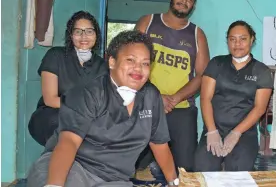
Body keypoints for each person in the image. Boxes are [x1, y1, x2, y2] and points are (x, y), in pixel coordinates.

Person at [26, 31, 180, 187]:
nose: (138, 68)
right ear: (112, 62)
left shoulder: (151, 96)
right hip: (72, 167)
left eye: (145, 63)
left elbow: (160, 145)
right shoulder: (89, 93)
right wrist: (54, 185)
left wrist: (175, 183)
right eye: (130, 60)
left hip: (113, 179)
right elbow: (69, 142)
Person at [134, 0, 209, 174]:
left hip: (182, 109)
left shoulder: (197, 34)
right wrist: (156, 96)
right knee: (132, 163)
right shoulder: (147, 22)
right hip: (147, 105)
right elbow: (132, 63)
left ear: (193, 6)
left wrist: (175, 98)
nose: (184, 1)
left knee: (186, 169)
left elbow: (202, 75)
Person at [193, 21, 273, 171]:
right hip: (214, 129)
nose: (237, 44)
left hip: (244, 133)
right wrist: (211, 130)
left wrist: (236, 133)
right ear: (227, 41)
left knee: (238, 174)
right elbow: (205, 98)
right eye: (232, 39)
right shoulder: (216, 63)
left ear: (252, 39)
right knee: (203, 170)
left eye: (243, 39)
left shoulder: (262, 71)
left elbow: (260, 108)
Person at [28, 11, 107, 146]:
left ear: (96, 35)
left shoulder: (102, 66)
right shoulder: (56, 56)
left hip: (87, 118)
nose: (84, 36)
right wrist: (85, 110)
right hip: (52, 115)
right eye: (78, 31)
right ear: (71, 35)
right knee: (65, 124)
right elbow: (50, 99)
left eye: (89, 31)